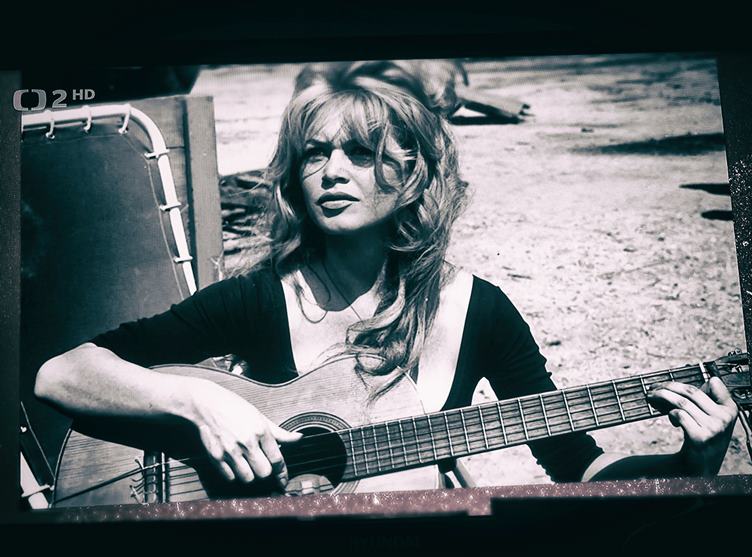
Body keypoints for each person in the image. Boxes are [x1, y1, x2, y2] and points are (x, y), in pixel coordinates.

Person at [35, 62, 739, 492]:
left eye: (363, 154)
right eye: (315, 154)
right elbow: (60, 375)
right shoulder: (263, 295)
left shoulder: (478, 310)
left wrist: (690, 464)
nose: (332, 172)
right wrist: (198, 404)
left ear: (413, 178)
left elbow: (578, 470)